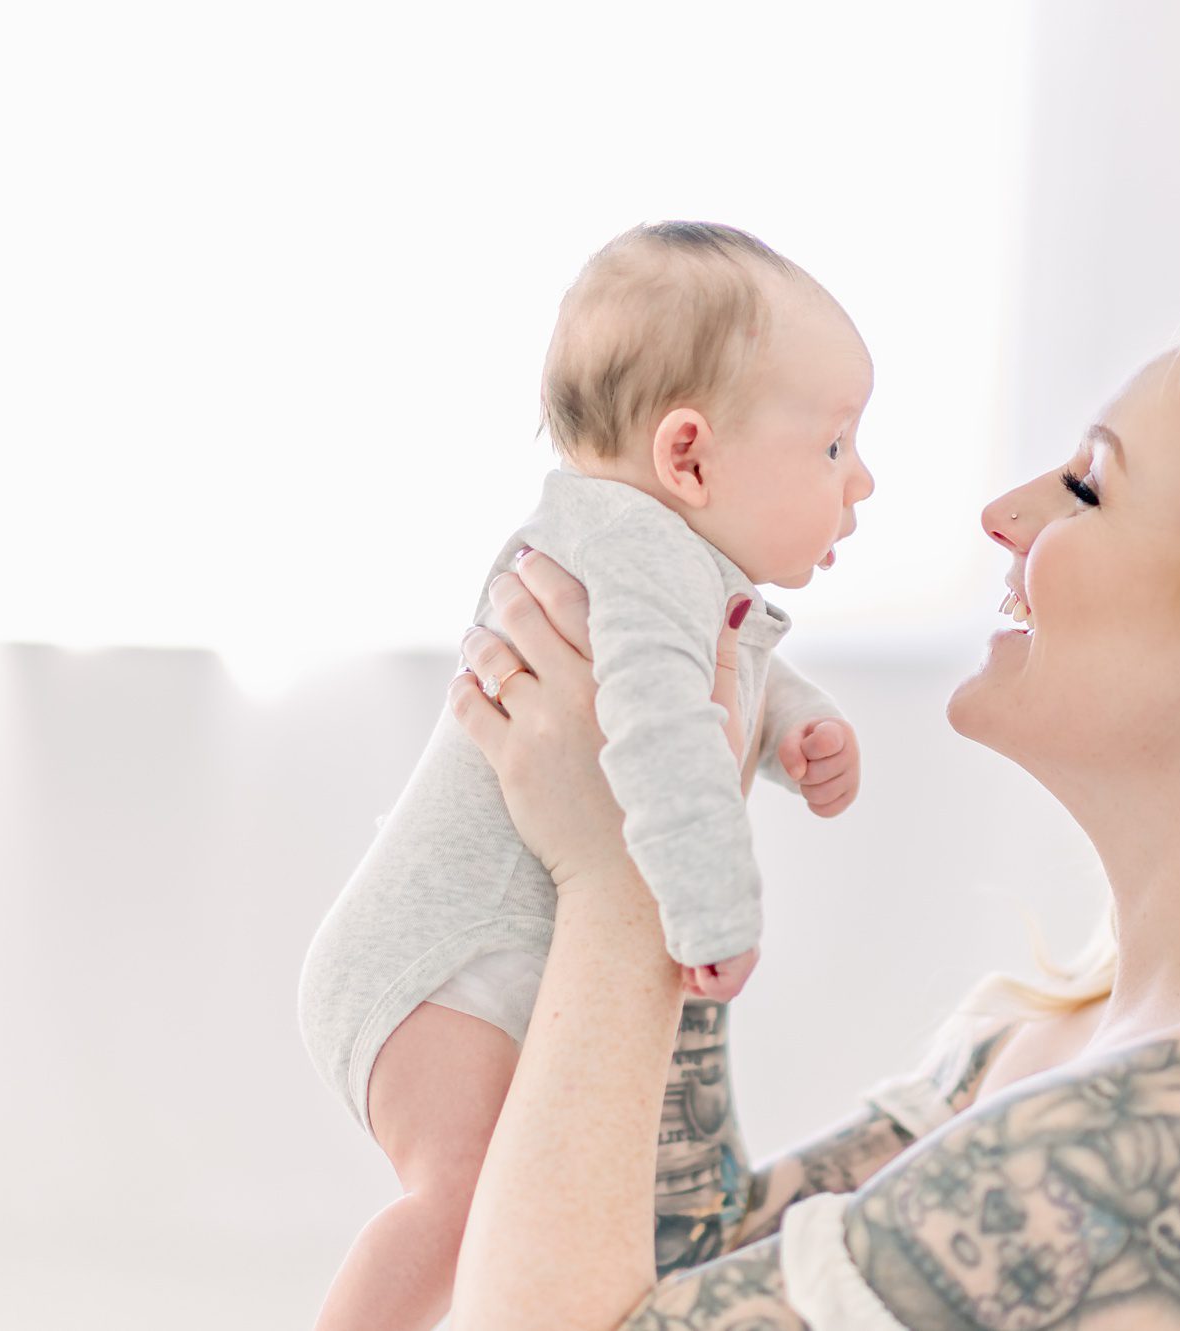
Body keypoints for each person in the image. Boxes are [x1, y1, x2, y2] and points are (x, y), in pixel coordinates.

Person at [442, 301, 1180, 1331]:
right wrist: (671, 804)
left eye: (1087, 485)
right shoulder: (1054, 1037)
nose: (1002, 514)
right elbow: (677, 1268)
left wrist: (618, 880)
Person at [297, 221, 876, 1331]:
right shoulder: (634, 550)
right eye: (836, 447)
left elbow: (727, 671)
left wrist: (796, 728)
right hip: (439, 963)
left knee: (504, 1201)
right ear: (690, 456)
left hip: (461, 956)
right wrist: (713, 908)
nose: (862, 481)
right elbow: (659, 733)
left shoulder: (658, 559)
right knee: (466, 1202)